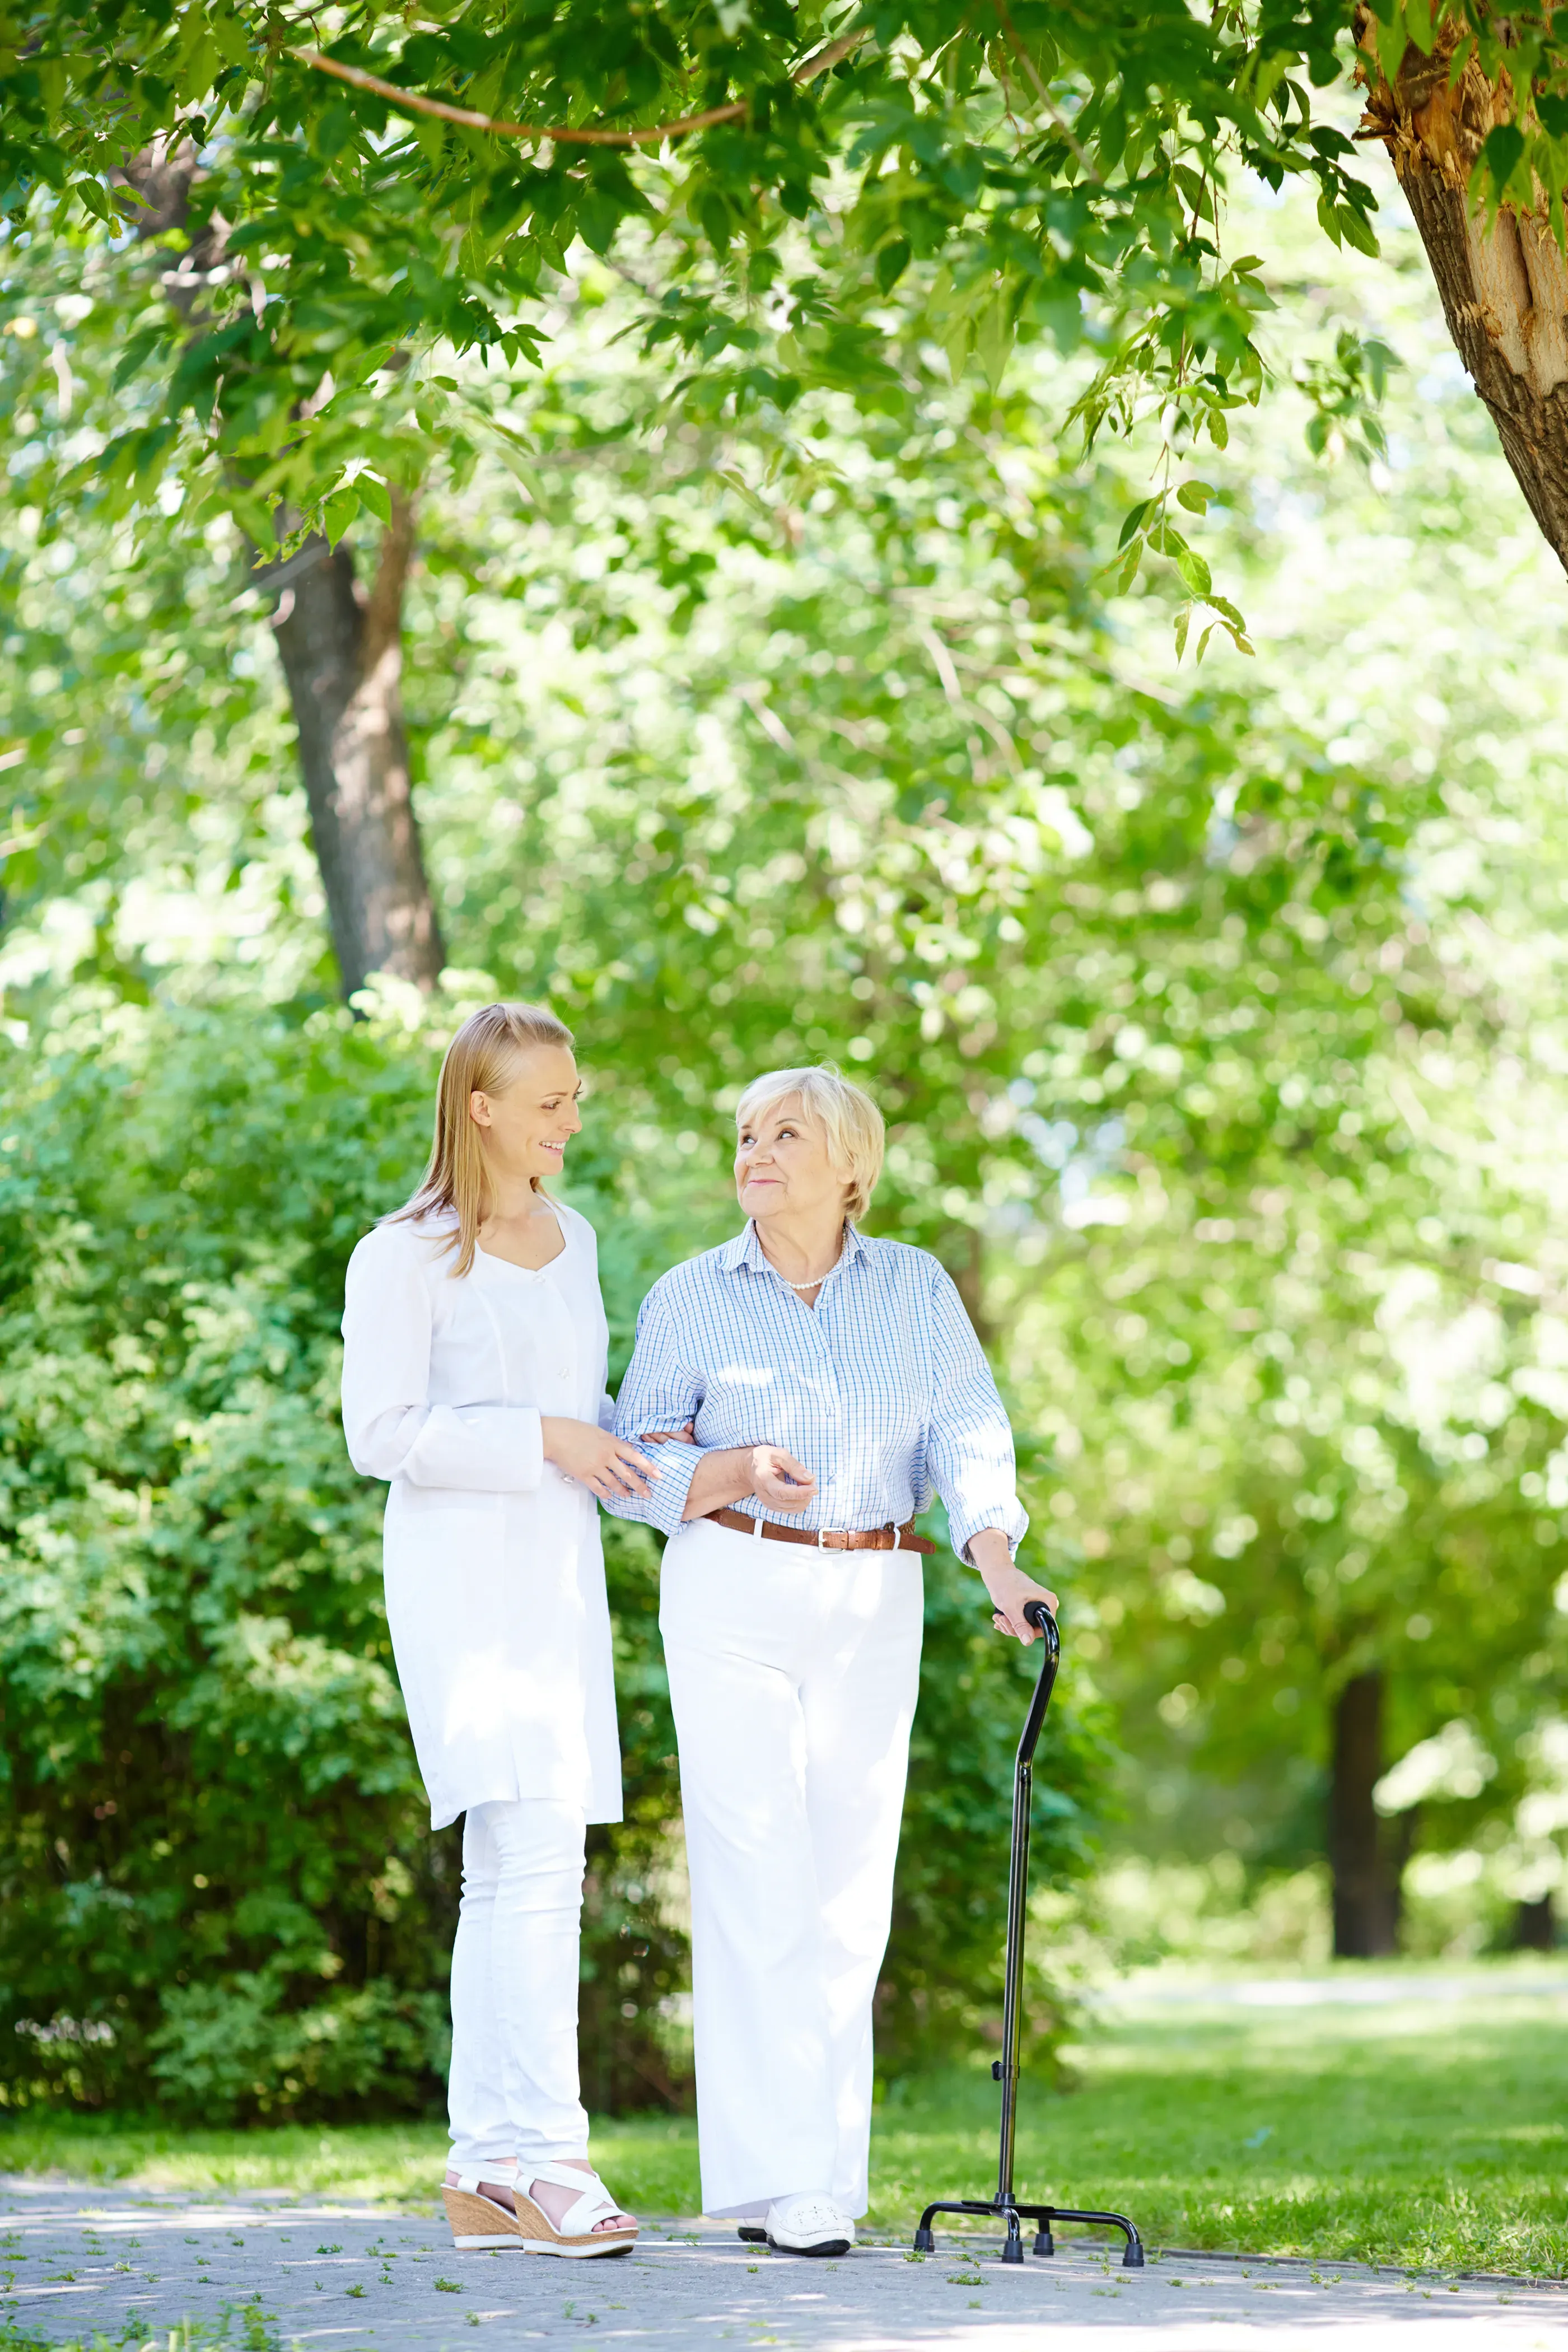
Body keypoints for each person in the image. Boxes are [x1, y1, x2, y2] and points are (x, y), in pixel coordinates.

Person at [604, 1064, 1056, 2257]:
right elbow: (634, 1455)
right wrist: (733, 1468)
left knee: (847, 1889)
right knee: (752, 1870)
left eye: (784, 1134)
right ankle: (780, 2182)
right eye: (744, 1132)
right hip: (731, 1580)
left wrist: (995, 1558)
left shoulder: (912, 1288)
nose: (753, 1151)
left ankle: (813, 2177)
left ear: (849, 1166)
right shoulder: (689, 1295)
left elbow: (966, 1423)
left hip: (874, 1585)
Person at [341, 1002, 658, 2259]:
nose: (571, 1120)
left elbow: (593, 1416)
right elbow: (383, 1436)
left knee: (525, 1871)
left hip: (560, 1579)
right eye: (549, 1102)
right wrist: (541, 1439)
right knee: (527, 1868)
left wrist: (697, 1460)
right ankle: (554, 2165)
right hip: (463, 1589)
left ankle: (485, 2168)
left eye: (574, 1096)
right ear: (481, 1109)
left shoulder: (572, 1239)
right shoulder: (400, 1256)